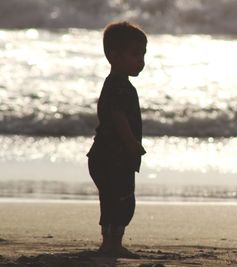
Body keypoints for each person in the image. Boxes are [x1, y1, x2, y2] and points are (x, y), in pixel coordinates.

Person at [86, 21, 147, 256]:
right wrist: (131, 142)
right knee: (122, 199)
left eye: (142, 55)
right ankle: (112, 244)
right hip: (112, 156)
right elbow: (118, 117)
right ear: (114, 56)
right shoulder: (119, 86)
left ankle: (110, 243)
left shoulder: (116, 84)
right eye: (135, 55)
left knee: (112, 199)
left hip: (105, 155)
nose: (141, 61)